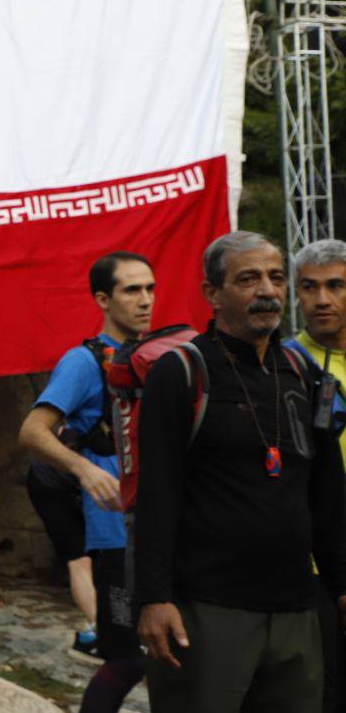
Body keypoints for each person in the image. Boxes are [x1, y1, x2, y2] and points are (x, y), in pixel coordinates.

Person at [136, 231, 346, 712]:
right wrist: (153, 598)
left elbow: (327, 494)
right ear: (212, 293)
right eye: (248, 279)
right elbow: (157, 494)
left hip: (296, 609)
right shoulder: (182, 372)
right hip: (207, 609)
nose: (267, 291)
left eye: (276, 278)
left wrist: (341, 585)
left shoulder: (304, 374)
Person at [18, 251, 156, 712]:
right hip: (114, 536)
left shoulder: (159, 356)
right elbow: (32, 432)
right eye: (131, 290)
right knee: (127, 659)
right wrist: (85, 469)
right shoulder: (83, 362)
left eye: (150, 289)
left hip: (160, 529)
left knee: (169, 652)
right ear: (102, 299)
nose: (145, 300)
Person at [286, 238, 346, 712]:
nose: (322, 299)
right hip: (316, 564)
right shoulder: (283, 363)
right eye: (309, 287)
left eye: (336, 286)